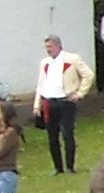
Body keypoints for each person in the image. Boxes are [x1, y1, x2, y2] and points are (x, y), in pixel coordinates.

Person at [35, 35, 90, 174]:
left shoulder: (72, 59)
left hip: (66, 101)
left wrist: (79, 93)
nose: (48, 50)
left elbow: (88, 75)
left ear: (58, 46)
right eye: (46, 47)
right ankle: (58, 167)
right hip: (49, 102)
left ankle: (70, 166)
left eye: (50, 47)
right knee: (52, 136)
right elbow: (41, 84)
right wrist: (37, 104)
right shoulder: (45, 63)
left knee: (67, 134)